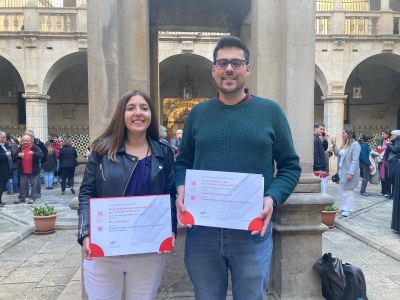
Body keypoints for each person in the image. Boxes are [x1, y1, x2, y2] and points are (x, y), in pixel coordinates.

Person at [174, 36, 301, 299]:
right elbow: (183, 162)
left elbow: (290, 167)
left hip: (251, 231)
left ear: (247, 69)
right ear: (214, 70)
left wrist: (272, 197)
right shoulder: (198, 114)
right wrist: (180, 188)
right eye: (222, 63)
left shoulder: (270, 112)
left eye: (236, 62)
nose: (229, 68)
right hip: (203, 233)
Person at [78, 90, 177, 300]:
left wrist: (171, 230)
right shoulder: (102, 150)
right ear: (121, 114)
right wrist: (86, 232)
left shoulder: (163, 152)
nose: (138, 113)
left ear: (151, 115)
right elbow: (87, 192)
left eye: (144, 108)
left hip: (147, 250)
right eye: (131, 108)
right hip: (105, 249)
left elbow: (170, 195)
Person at [332, 126, 361, 217]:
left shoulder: (355, 145)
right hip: (341, 171)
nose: (342, 134)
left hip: (349, 172)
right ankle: (344, 207)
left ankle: (348, 209)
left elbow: (355, 160)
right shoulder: (344, 144)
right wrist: (334, 145)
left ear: (349, 134)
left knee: (348, 191)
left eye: (344, 133)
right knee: (342, 190)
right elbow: (338, 154)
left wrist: (351, 173)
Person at [14, 134, 43, 204]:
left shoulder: (35, 147)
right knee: (22, 185)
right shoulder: (20, 148)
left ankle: (32, 198)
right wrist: (18, 155)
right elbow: (14, 157)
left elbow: (41, 155)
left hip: (33, 170)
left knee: (34, 184)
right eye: (23, 140)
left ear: (30, 141)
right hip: (23, 171)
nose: (25, 142)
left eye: (26, 140)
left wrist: (33, 153)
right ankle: (22, 198)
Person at [25, 130, 47, 199]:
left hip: (37, 162)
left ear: (31, 137)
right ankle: (26, 193)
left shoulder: (38, 143)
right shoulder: (25, 143)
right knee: (26, 179)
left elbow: (45, 151)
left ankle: (37, 193)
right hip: (26, 163)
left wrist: (39, 156)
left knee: (36, 178)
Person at [386, 130, 400, 200]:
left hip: (396, 161)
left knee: (394, 177)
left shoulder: (398, 140)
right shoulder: (395, 141)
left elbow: (395, 150)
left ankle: (395, 194)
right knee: (392, 178)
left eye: (392, 135)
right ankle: (393, 194)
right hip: (392, 161)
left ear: (396, 135)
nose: (391, 136)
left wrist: (388, 144)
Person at [0, 131, 12, 207]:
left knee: (2, 186)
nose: (5, 138)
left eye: (5, 137)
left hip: (5, 169)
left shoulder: (5, 145)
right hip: (1, 169)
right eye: (3, 137)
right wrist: (5, 154)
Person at [378, 130, 391, 197]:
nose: (382, 135)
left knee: (387, 176)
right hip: (382, 160)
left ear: (387, 134)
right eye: (382, 134)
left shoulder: (389, 141)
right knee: (382, 176)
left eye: (383, 134)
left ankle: (387, 191)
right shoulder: (382, 141)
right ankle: (383, 191)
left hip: (387, 160)